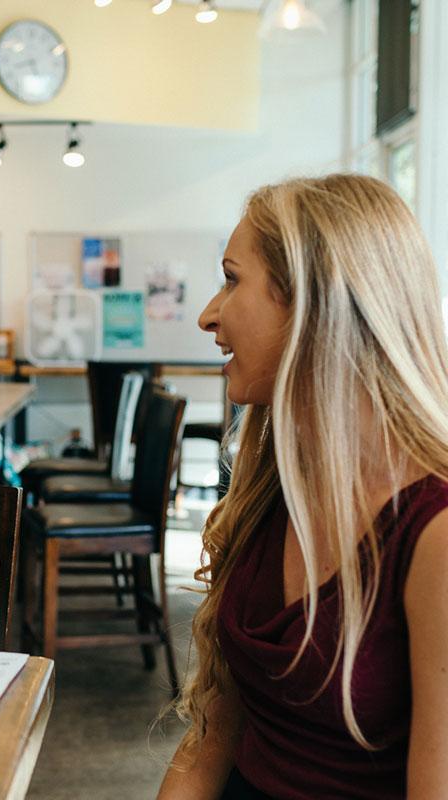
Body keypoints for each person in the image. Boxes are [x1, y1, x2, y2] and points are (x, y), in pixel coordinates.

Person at [158, 174, 448, 799]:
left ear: (316, 305)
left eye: (233, 279)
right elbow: (210, 739)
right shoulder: (273, 487)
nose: (210, 313)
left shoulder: (435, 529)